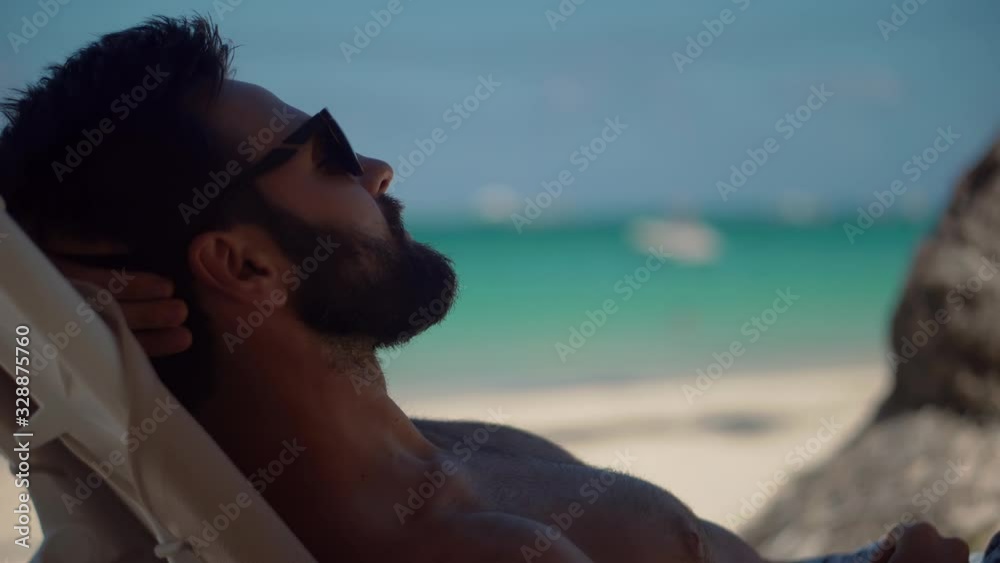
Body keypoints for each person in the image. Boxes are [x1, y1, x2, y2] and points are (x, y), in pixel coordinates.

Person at [0, 15, 977, 563]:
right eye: (331, 153)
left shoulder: (456, 456)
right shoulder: (482, 552)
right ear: (242, 264)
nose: (378, 168)